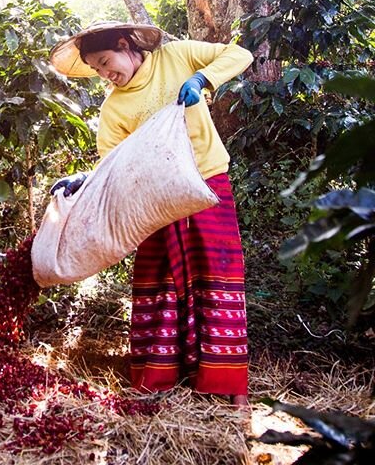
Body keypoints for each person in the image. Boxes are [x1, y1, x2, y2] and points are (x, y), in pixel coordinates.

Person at [49, 20, 253, 407]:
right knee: (158, 283)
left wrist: (202, 80)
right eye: (97, 70)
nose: (106, 74)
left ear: (126, 45)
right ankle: (158, 381)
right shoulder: (113, 108)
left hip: (207, 182)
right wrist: (85, 180)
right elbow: (114, 165)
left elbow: (240, 54)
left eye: (107, 62)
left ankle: (230, 388)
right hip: (156, 201)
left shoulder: (175, 57)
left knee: (218, 278)